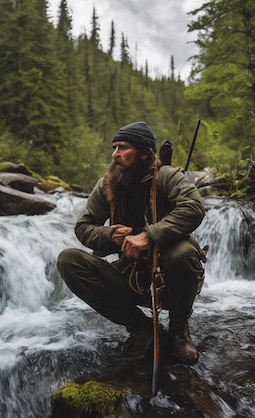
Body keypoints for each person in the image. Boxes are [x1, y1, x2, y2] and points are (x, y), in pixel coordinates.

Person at [57, 121, 206, 365]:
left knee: (183, 252)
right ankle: (142, 328)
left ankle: (179, 331)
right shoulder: (107, 184)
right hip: (130, 276)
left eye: (123, 148)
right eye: (114, 148)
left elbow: (194, 207)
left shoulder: (167, 177)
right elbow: (83, 228)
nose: (115, 154)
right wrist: (109, 235)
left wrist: (150, 236)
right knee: (69, 260)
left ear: (145, 152)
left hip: (171, 281)